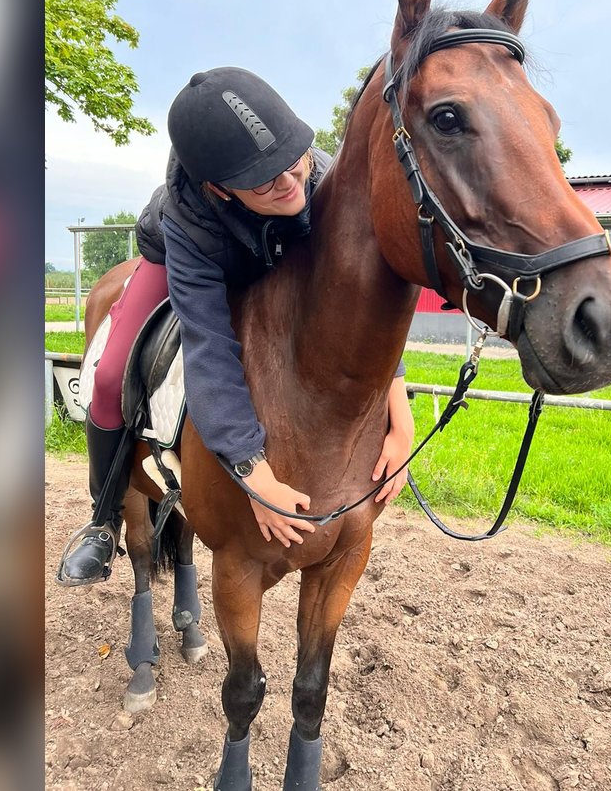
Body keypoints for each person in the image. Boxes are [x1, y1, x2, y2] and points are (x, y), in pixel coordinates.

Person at [58, 67, 414, 585]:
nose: (294, 183)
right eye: (268, 180)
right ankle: (104, 515)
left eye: (296, 161)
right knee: (111, 374)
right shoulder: (189, 221)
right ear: (220, 190)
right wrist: (253, 474)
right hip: (190, 257)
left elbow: (358, 306)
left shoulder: (313, 175)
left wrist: (400, 419)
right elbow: (208, 346)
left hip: (274, 246)